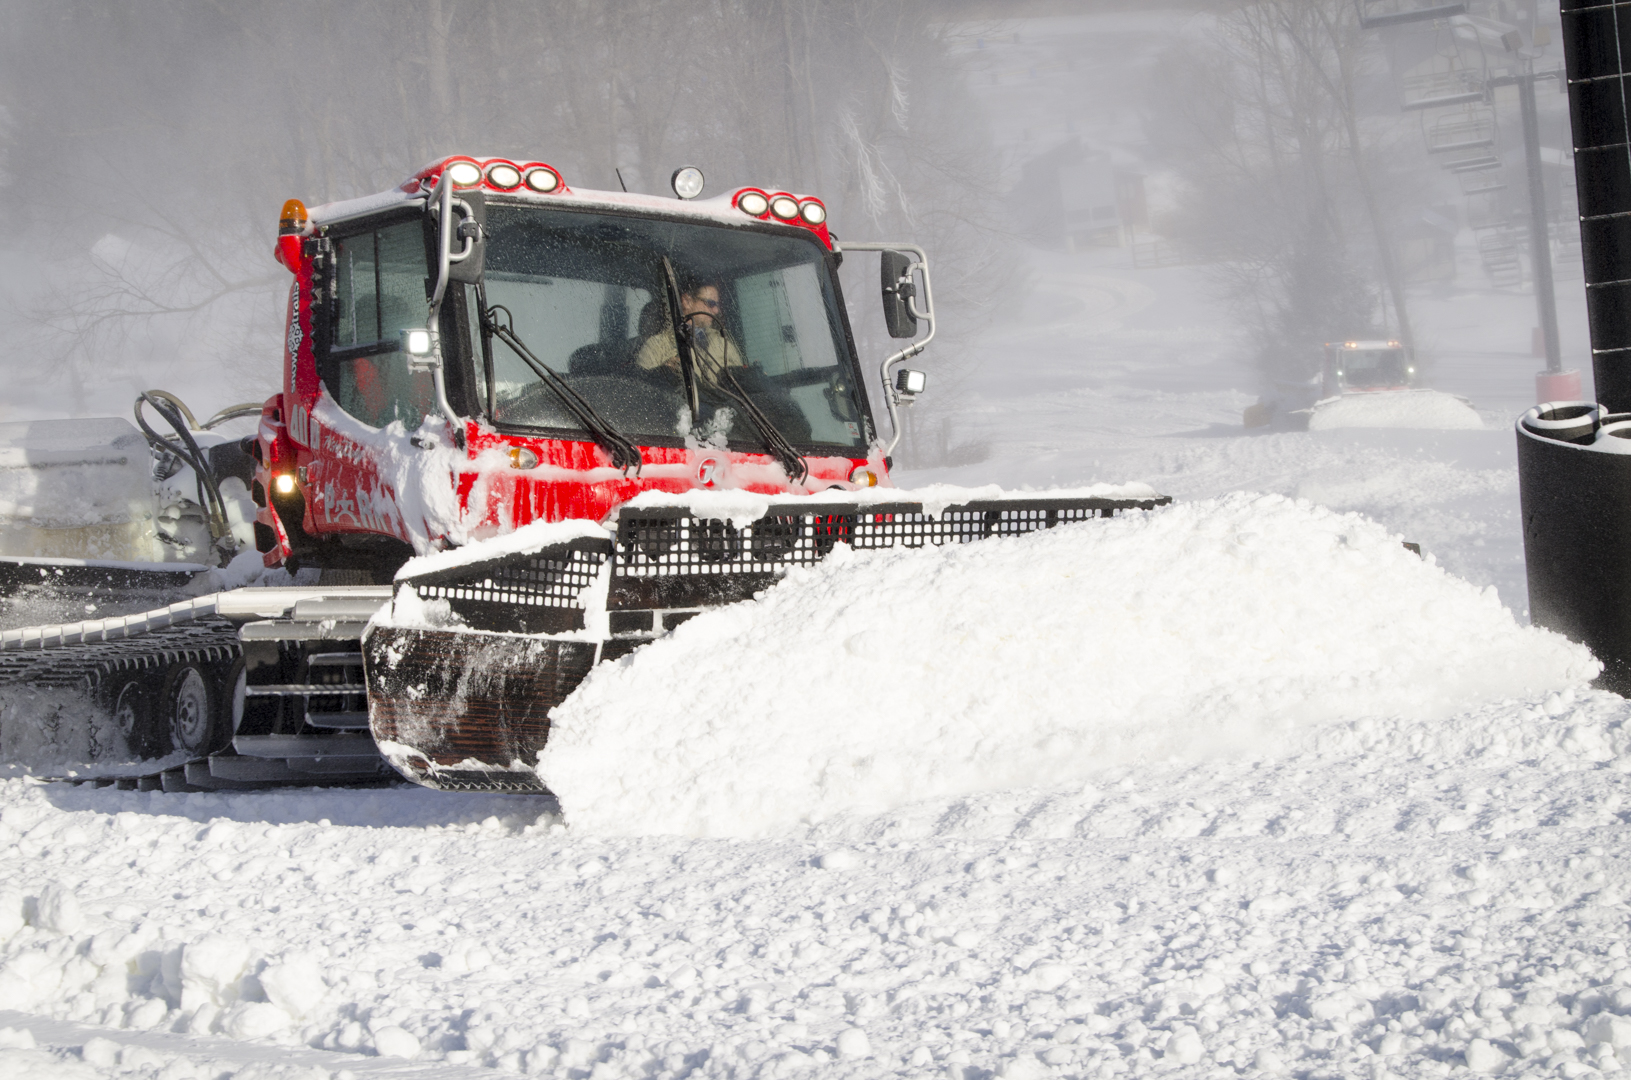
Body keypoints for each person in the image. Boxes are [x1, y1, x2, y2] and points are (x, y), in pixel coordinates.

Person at [635, 280, 745, 385]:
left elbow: (740, 387)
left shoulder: (724, 344)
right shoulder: (656, 347)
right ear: (687, 301)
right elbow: (643, 391)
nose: (716, 311)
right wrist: (664, 372)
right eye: (710, 303)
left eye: (717, 305)